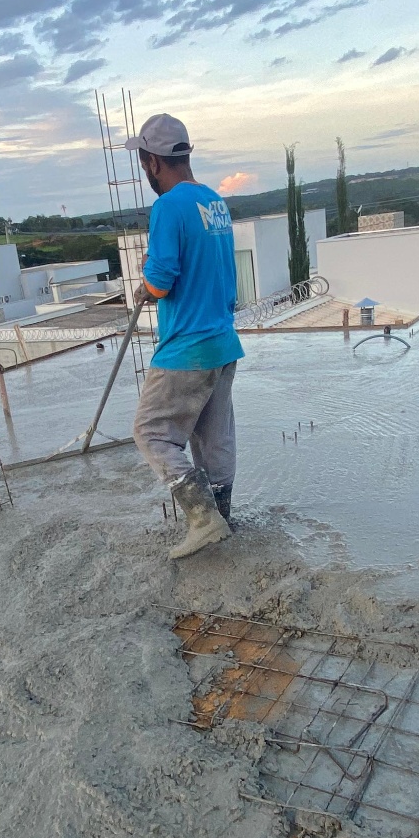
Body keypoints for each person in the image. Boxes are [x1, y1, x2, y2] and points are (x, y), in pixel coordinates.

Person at [126, 112, 243, 559]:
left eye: (142, 164)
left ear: (153, 163)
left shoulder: (168, 206)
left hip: (188, 347)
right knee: (213, 439)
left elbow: (162, 279)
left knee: (151, 432)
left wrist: (144, 284)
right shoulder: (215, 203)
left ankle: (203, 520)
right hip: (222, 341)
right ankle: (225, 519)